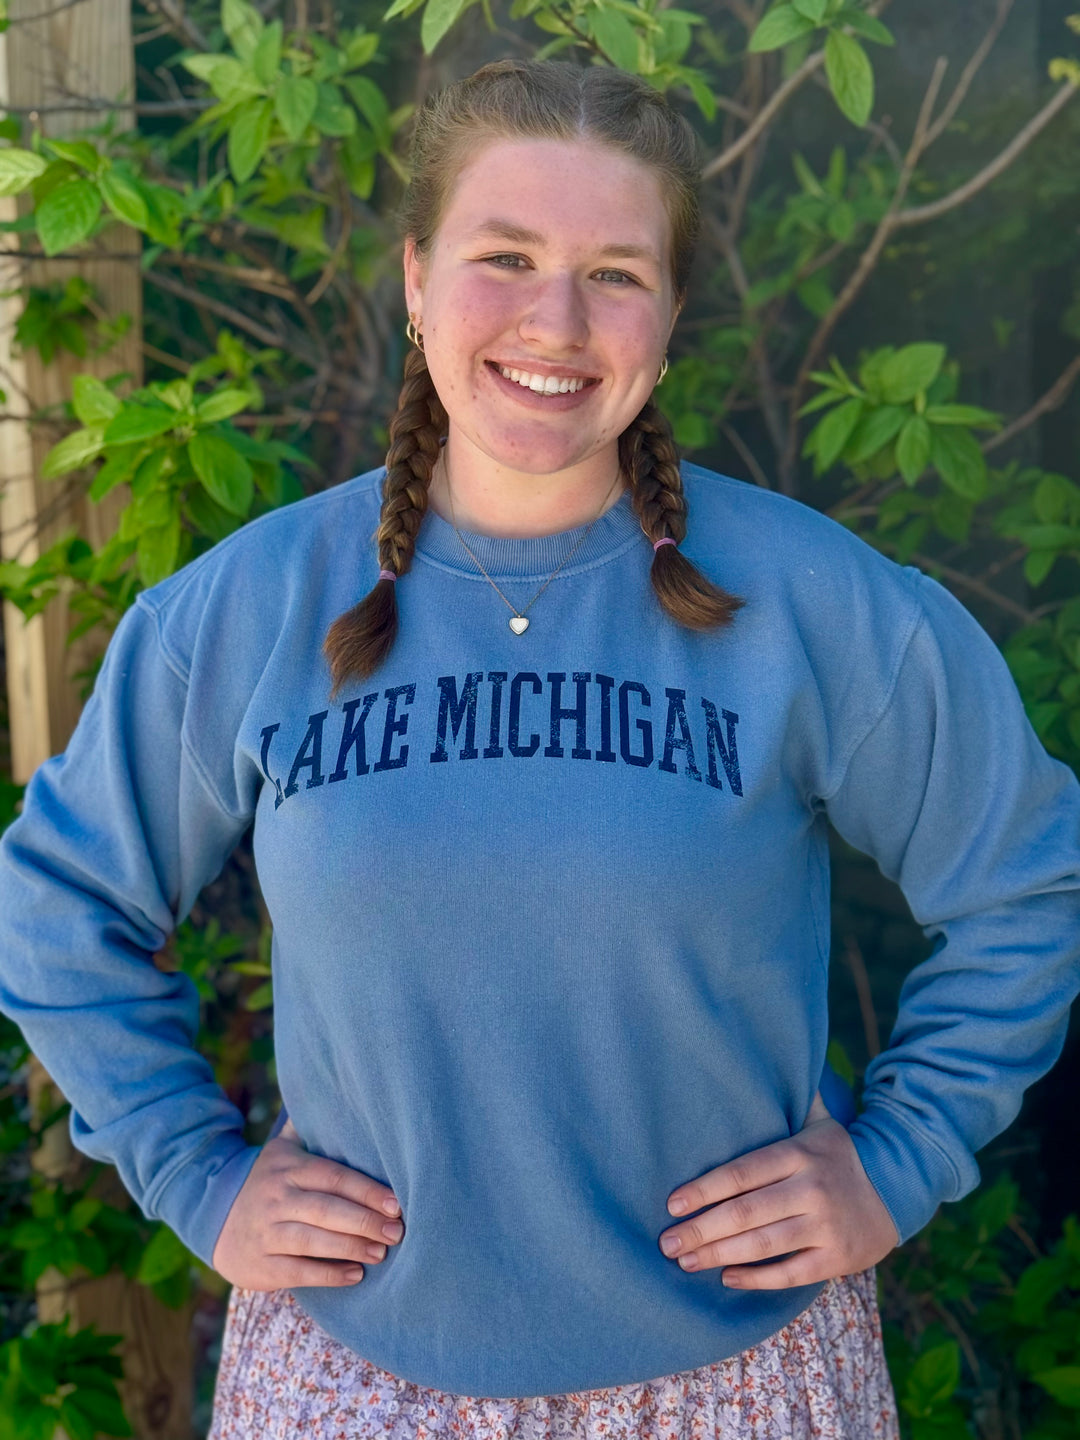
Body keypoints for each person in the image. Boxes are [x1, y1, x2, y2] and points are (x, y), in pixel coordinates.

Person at [0, 55, 1078, 1440]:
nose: (555, 320)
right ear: (414, 279)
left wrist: (896, 1160)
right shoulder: (252, 609)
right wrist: (195, 1176)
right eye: (503, 256)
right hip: (353, 1382)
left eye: (617, 273)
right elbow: (56, 902)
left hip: (739, 1382)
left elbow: (1028, 883)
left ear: (671, 314)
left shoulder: (812, 604)